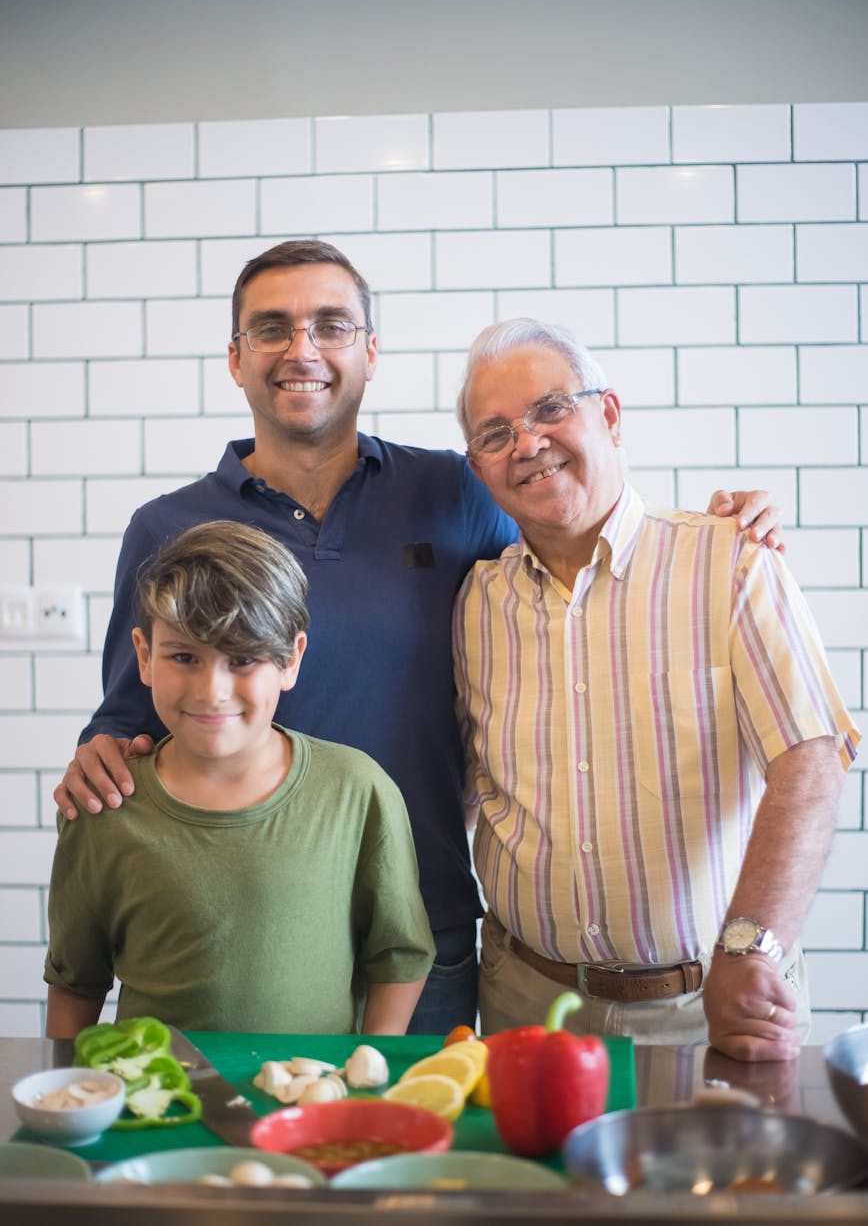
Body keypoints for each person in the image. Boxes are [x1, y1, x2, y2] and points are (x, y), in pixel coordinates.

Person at [51, 239, 784, 1035]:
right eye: (272, 328)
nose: (302, 349)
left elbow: (581, 546)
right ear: (236, 358)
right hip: (227, 922)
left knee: (404, 1153)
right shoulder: (166, 527)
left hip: (422, 926)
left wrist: (720, 527)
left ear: (369, 354)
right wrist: (101, 748)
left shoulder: (454, 491)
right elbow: (131, 710)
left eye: (331, 325)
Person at [452, 318, 859, 1062]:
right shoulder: (475, 604)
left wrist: (752, 948)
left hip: (709, 1004)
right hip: (524, 1005)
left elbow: (812, 762)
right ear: (478, 469)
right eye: (494, 433)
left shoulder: (730, 561)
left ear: (608, 414)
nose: (529, 443)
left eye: (550, 409)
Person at [45, 520, 434, 1038]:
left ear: (290, 660)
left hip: (311, 1102)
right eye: (184, 656)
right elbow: (76, 982)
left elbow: (399, 956)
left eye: (244, 658)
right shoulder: (104, 806)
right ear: (143, 655)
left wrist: (368, 1070)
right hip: (156, 1104)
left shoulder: (357, 791)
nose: (213, 691)